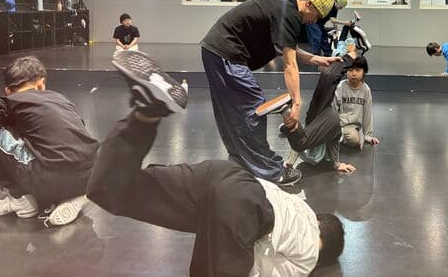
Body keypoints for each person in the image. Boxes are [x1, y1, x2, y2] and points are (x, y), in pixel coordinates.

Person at [90, 50, 345, 277]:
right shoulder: (309, 253)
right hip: (242, 207)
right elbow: (263, 270)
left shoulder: (299, 206)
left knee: (111, 190)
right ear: (323, 245)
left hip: (225, 175)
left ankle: (147, 111)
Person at [201, 0, 340, 185]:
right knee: (252, 107)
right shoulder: (289, 15)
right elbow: (290, 65)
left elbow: (289, 49)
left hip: (216, 51)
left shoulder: (285, 7)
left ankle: (241, 163)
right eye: (317, 15)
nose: (315, 20)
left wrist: (319, 59)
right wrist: (297, 103)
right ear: (309, 4)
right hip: (226, 53)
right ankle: (270, 171)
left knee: (232, 113)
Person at [0, 56, 98, 226]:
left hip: (49, 180)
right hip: (92, 173)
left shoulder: (5, 103)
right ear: (41, 84)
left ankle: (20, 200)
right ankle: (77, 195)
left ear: (7, 90)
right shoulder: (61, 99)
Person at [260, 48, 360, 174]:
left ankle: (286, 112)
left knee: (326, 83)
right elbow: (334, 139)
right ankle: (348, 58)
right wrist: (336, 164)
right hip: (329, 121)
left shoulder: (312, 155)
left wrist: (288, 164)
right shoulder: (316, 150)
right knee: (326, 83)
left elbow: (299, 147)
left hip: (323, 122)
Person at [336, 55, 379, 150]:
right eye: (350, 70)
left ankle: (344, 135)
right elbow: (333, 109)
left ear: (364, 72)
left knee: (353, 140)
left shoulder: (365, 90)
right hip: (338, 124)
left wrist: (368, 135)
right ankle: (338, 135)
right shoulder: (340, 87)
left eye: (358, 70)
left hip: (352, 125)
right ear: (346, 71)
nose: (354, 73)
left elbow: (368, 112)